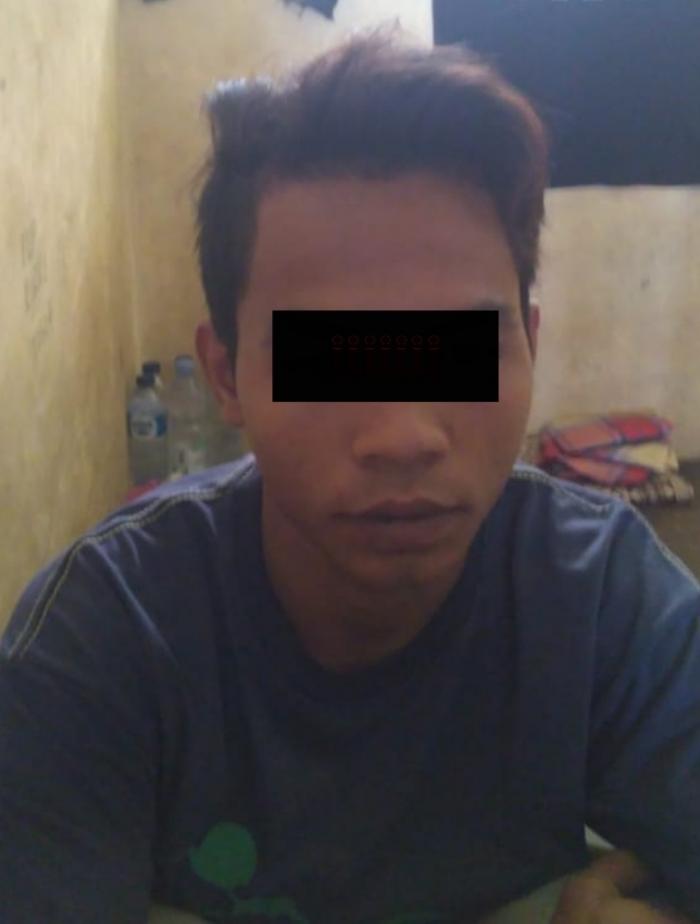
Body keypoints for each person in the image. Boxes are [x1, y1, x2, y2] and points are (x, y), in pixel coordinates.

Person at [1, 29, 699, 924]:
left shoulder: (603, 594)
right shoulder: (105, 636)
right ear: (226, 376)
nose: (404, 435)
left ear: (530, 342)